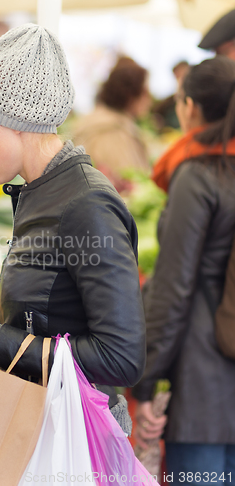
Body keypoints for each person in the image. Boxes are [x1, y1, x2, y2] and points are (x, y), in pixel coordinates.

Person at [0, 24, 146, 434]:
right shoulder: (40, 190)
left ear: (13, 118)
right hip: (41, 423)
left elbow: (121, 357)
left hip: (74, 439)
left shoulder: (85, 204)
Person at [132, 57, 235, 481]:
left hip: (203, 384)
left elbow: (173, 289)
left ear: (190, 106)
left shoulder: (196, 175)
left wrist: (145, 381)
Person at [71, 56, 152, 183]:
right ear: (131, 95)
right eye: (145, 92)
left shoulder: (103, 121)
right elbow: (126, 183)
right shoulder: (111, 132)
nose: (149, 98)